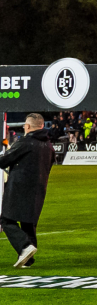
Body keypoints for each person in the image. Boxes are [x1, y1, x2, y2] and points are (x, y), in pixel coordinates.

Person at [0, 113, 52, 268]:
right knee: (28, 222)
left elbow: (4, 160)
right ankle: (27, 260)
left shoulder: (26, 142)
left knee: (6, 220)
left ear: (28, 126)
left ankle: (24, 247)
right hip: (39, 187)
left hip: (19, 186)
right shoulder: (49, 145)